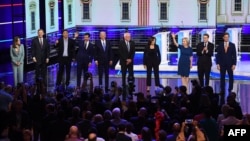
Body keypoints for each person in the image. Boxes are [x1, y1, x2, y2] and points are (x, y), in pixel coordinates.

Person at [118, 32, 135, 100]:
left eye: (130, 36)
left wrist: (130, 59)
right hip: (123, 61)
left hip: (130, 61)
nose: (129, 37)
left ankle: (131, 85)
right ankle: (124, 85)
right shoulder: (121, 43)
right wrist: (126, 59)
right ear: (125, 37)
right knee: (124, 74)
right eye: (128, 36)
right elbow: (120, 52)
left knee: (131, 74)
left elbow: (133, 52)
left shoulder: (132, 42)